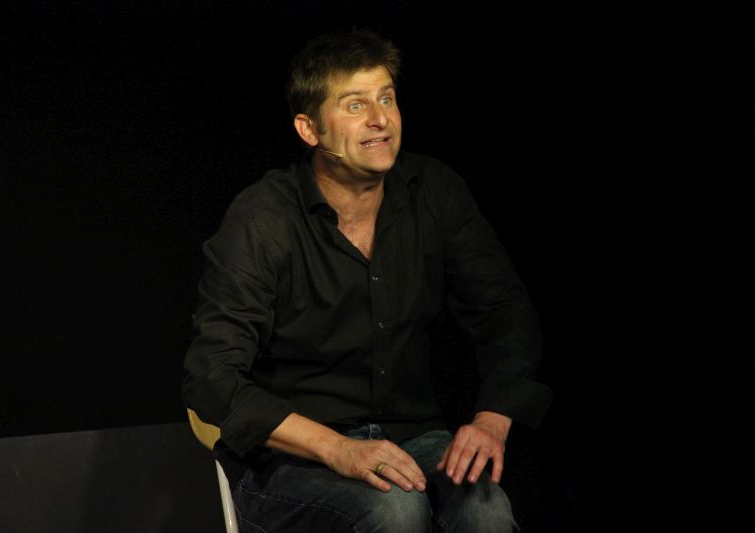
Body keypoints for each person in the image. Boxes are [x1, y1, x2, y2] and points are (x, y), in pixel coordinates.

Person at [182, 28, 552, 532]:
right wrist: (338, 448)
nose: (380, 119)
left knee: (484, 508)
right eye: (355, 105)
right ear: (310, 129)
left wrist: (492, 418)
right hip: (292, 458)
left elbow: (504, 310)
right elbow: (211, 375)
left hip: (413, 437)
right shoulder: (263, 218)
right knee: (393, 510)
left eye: (387, 98)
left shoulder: (432, 191)